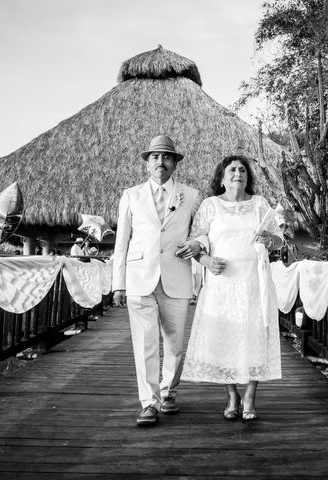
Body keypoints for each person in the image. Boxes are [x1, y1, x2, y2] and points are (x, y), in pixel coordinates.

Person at [112, 134, 206, 427]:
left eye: (166, 157)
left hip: (177, 275)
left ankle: (168, 391)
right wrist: (118, 283)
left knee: (175, 344)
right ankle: (148, 402)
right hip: (140, 277)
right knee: (144, 343)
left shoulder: (191, 195)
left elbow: (203, 231)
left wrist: (198, 243)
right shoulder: (130, 195)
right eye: (155, 157)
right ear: (147, 163)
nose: (160, 162)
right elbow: (121, 242)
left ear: (175, 163)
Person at [181, 155, 283, 421]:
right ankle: (231, 395)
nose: (238, 173)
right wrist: (206, 260)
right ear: (222, 177)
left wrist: (270, 239)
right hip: (222, 284)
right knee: (223, 336)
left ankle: (249, 396)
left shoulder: (260, 204)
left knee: (254, 337)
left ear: (248, 176)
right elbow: (194, 242)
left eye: (242, 169)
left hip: (254, 282)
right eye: (232, 169)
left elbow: (279, 241)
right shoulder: (210, 205)